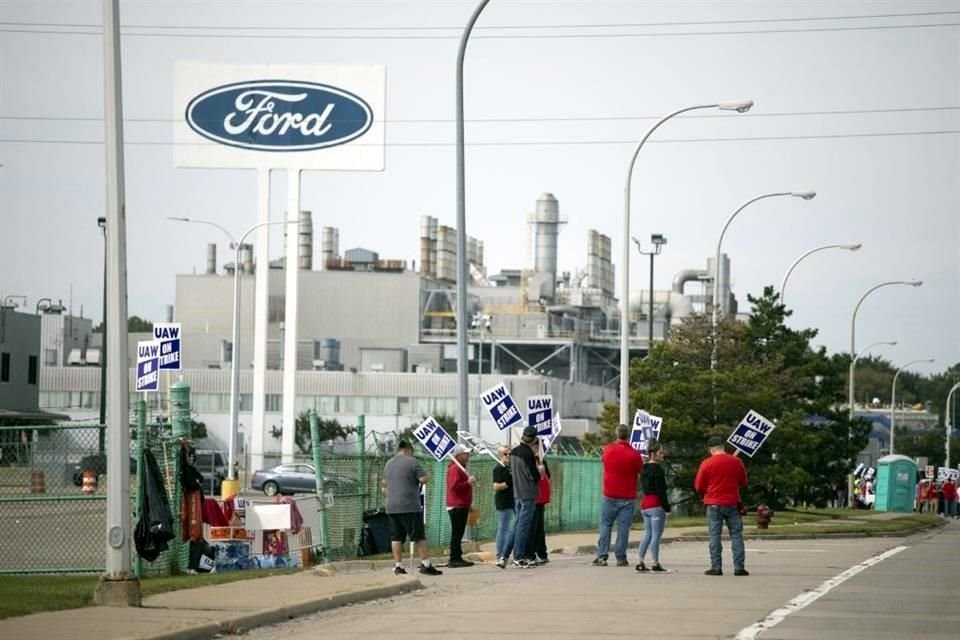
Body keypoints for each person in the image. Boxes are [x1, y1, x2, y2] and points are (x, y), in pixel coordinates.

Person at [383, 440, 442, 576]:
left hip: (391, 506)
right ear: (408, 449)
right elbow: (423, 479)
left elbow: (384, 482)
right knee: (418, 537)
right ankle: (426, 564)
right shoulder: (412, 462)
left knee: (396, 537)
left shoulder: (388, 463)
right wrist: (425, 477)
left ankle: (398, 566)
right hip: (409, 506)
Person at [694, 435, 749, 576]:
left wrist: (707, 491)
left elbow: (699, 486)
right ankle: (739, 567)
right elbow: (743, 481)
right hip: (732, 502)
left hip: (713, 503)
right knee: (736, 535)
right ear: (723, 447)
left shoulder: (706, 463)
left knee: (714, 535)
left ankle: (716, 567)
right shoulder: (736, 461)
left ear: (711, 449)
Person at [592, 424, 643, 567]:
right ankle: (621, 557)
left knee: (605, 525)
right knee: (623, 528)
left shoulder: (608, 450)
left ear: (616, 434)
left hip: (609, 494)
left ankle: (602, 556)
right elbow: (640, 472)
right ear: (628, 436)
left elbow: (604, 461)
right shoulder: (634, 454)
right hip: (627, 496)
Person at [636, 438, 671, 573]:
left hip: (645, 504)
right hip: (656, 505)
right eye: (661, 453)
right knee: (656, 535)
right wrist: (667, 508)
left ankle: (640, 561)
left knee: (647, 534)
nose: (663, 455)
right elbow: (661, 491)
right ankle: (655, 562)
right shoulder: (658, 470)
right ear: (654, 453)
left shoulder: (643, 468)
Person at [510, 426, 542, 568]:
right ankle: (519, 555)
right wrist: (540, 472)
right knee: (523, 526)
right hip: (528, 493)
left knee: (517, 525)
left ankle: (509, 554)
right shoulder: (527, 454)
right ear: (534, 438)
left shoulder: (514, 452)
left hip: (517, 492)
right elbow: (533, 475)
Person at [445, 444, 476, 568]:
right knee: (457, 533)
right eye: (465, 454)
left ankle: (457, 556)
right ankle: (454, 558)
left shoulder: (461, 468)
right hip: (456, 504)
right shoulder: (455, 469)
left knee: (459, 532)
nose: (468, 456)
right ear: (458, 455)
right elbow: (454, 486)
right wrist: (468, 482)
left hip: (461, 504)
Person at [492, 445, 515, 569]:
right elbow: (496, 486)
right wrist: (507, 483)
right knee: (503, 527)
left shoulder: (510, 468)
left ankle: (505, 553)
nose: (509, 456)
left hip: (512, 499)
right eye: (506, 454)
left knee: (510, 527)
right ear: (501, 455)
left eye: (510, 454)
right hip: (503, 500)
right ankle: (500, 554)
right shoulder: (498, 468)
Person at [528, 453, 551, 565]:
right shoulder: (528, 461)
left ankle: (542, 553)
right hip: (534, 498)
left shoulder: (542, 461)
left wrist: (542, 469)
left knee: (539, 528)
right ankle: (531, 553)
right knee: (533, 528)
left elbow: (547, 475)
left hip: (541, 499)